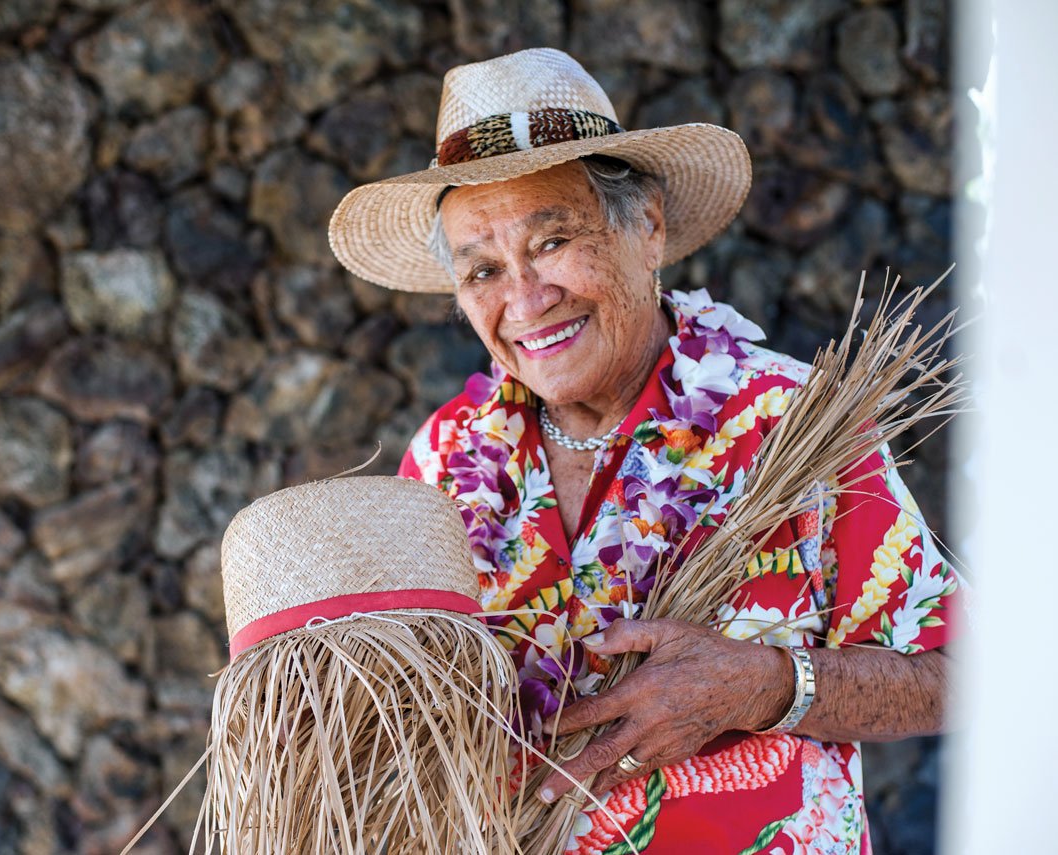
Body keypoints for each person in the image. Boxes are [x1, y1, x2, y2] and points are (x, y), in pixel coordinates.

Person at [329, 49, 960, 854]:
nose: (523, 298)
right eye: (482, 268)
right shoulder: (445, 457)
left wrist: (765, 685)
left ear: (647, 227)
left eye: (552, 240)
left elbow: (961, 674)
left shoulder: (788, 423)